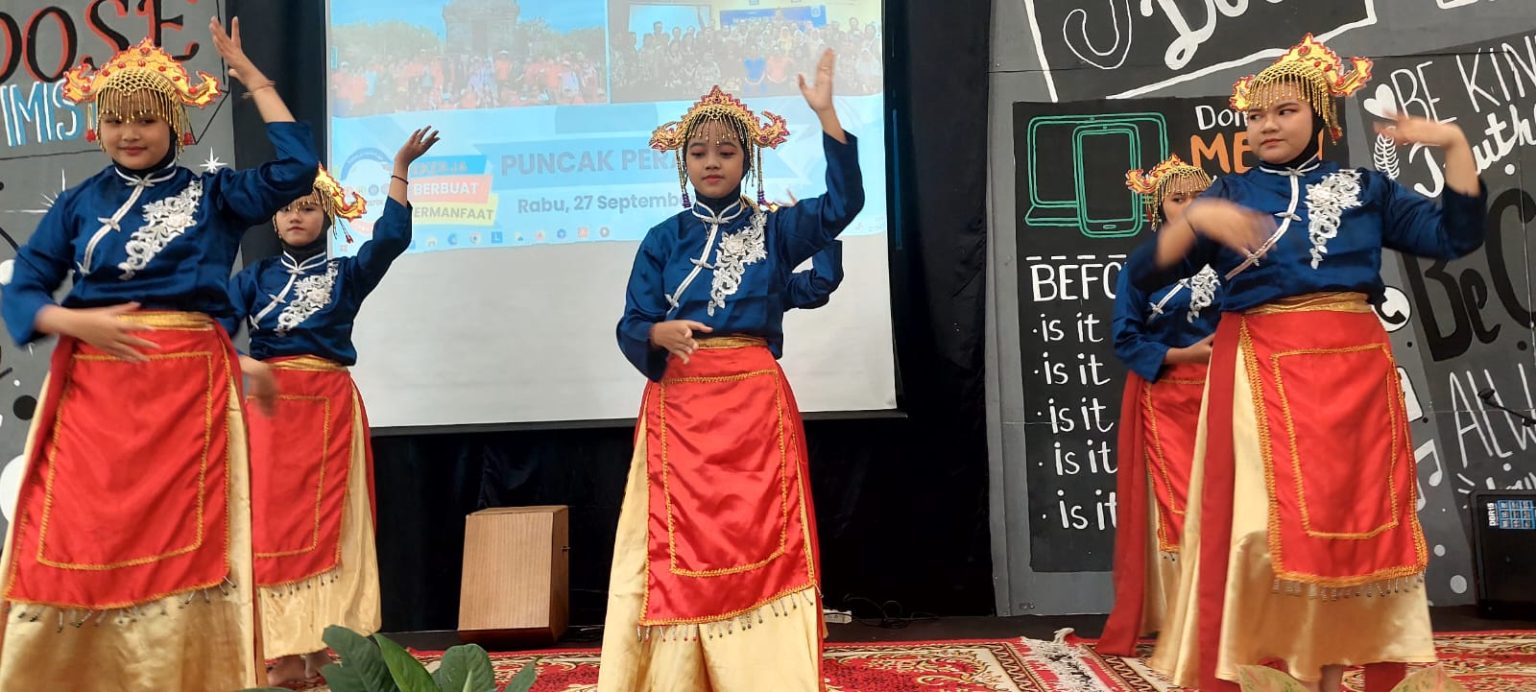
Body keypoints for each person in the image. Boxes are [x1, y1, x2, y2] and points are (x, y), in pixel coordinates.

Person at [1128, 35, 1485, 692]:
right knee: (1258, 533)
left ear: (1320, 115)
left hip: (1355, 375)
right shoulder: (1230, 193)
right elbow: (1145, 275)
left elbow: (1454, 236)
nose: (1266, 124)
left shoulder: (1366, 190)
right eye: (1255, 115)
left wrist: (1455, 146)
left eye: (1285, 111)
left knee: (1351, 531)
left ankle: (1330, 673)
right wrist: (1196, 220)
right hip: (1261, 374)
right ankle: (1270, 668)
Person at [0, 21, 318, 690]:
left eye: (145, 119)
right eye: (116, 121)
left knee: (185, 543)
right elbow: (24, 289)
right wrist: (74, 321)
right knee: (83, 535)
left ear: (174, 123)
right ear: (99, 127)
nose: (130, 133)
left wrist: (253, 79)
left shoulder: (216, 195)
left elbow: (295, 169)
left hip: (188, 391)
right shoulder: (79, 204)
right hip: (95, 393)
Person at [599, 49, 862, 691]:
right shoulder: (662, 239)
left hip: (753, 403)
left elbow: (844, 202)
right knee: (675, 544)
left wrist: (827, 117)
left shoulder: (777, 230)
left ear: (748, 160)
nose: (712, 162)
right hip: (680, 405)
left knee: (761, 536)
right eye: (699, 153)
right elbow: (632, 320)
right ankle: (676, 676)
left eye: (726, 151)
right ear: (682, 162)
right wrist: (655, 332)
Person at [224, 129, 438, 688]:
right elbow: (212, 334)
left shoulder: (346, 275)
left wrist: (400, 166)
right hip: (269, 413)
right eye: (286, 208)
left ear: (327, 216)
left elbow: (391, 238)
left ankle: (322, 647)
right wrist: (246, 366)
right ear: (273, 220)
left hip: (329, 412)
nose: (296, 216)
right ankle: (281, 651)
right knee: (271, 532)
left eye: (308, 206)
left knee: (330, 532)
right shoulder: (253, 279)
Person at [1099, 155, 1219, 656]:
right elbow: (1125, 338)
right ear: (1158, 209)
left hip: (1229, 392)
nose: (1189, 206)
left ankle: (1234, 617)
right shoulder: (1142, 266)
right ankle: (1184, 619)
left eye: (1199, 197)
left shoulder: (1236, 256)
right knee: (1180, 506)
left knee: (1230, 504)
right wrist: (1186, 354)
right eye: (1177, 199)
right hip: (1166, 394)